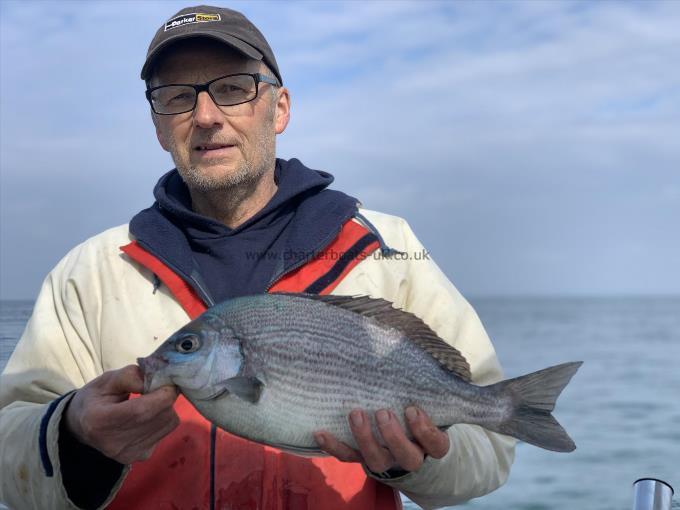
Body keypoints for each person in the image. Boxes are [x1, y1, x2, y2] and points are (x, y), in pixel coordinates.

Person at [0, 5, 515, 510]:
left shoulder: (389, 248)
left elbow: (489, 451)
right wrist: (74, 433)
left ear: (280, 107)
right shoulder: (91, 270)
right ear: (159, 127)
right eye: (177, 97)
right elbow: (9, 454)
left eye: (232, 89)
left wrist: (418, 460)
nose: (205, 116)